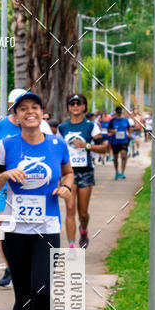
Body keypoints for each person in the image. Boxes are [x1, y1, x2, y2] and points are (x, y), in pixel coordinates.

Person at [0, 91, 73, 310]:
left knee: (43, 288)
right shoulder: (6, 145)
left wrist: (66, 187)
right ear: (17, 116)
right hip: (15, 229)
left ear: (42, 112)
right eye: (23, 109)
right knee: (22, 294)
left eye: (34, 107)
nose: (29, 112)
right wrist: (4, 176)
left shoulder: (57, 144)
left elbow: (68, 172)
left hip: (47, 228)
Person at [0, 88, 53, 288]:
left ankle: (33, 262)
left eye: (31, 108)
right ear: (13, 109)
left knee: (33, 226)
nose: (25, 113)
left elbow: (51, 151)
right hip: (7, 185)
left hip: (36, 187)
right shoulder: (0, 126)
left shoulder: (44, 127)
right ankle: (9, 266)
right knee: (6, 223)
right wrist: (1, 164)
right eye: (17, 107)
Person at [58, 94, 107, 249]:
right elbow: (58, 149)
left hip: (85, 172)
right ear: (68, 107)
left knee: (83, 212)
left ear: (84, 107)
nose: (76, 106)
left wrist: (86, 146)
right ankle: (72, 247)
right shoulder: (62, 128)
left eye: (79, 104)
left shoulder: (91, 126)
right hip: (68, 174)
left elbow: (104, 147)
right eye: (72, 104)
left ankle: (84, 230)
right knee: (70, 208)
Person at [107, 105, 134, 179]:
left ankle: (122, 172)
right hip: (115, 142)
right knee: (115, 158)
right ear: (116, 113)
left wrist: (129, 134)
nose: (119, 114)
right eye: (118, 113)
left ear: (121, 113)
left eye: (120, 113)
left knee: (124, 155)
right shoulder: (112, 121)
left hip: (124, 141)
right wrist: (112, 131)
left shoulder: (125, 120)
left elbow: (129, 128)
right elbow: (108, 130)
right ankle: (116, 172)